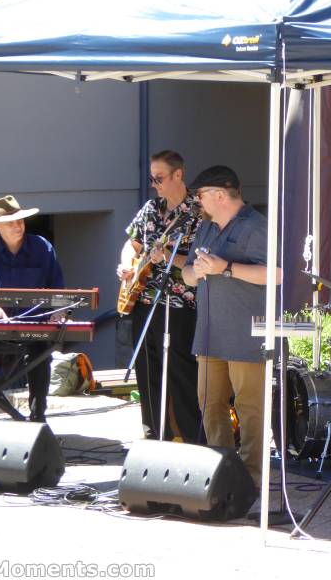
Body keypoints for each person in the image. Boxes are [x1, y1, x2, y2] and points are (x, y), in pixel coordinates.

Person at [182, 165, 281, 488]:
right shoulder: (206, 228)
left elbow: (277, 273)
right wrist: (196, 271)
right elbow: (185, 274)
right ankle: (221, 475)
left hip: (247, 335)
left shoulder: (256, 227)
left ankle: (251, 481)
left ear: (220, 195)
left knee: (250, 410)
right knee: (210, 406)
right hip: (210, 334)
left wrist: (225, 268)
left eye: (200, 195)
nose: (197, 201)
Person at [117, 150, 202, 443]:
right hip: (144, 301)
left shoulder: (198, 212)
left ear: (179, 174)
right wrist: (128, 265)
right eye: (152, 179)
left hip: (180, 304)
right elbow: (132, 243)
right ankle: (154, 434)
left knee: (181, 373)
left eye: (160, 178)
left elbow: (199, 262)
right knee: (147, 369)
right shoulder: (151, 208)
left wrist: (167, 256)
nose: (155, 184)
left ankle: (192, 440)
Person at [0, 195, 64, 422]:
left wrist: (59, 311)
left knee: (41, 351)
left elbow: (58, 289)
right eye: (11, 222)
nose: (18, 226)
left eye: (21, 220)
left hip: (32, 326)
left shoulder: (42, 247)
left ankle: (38, 417)